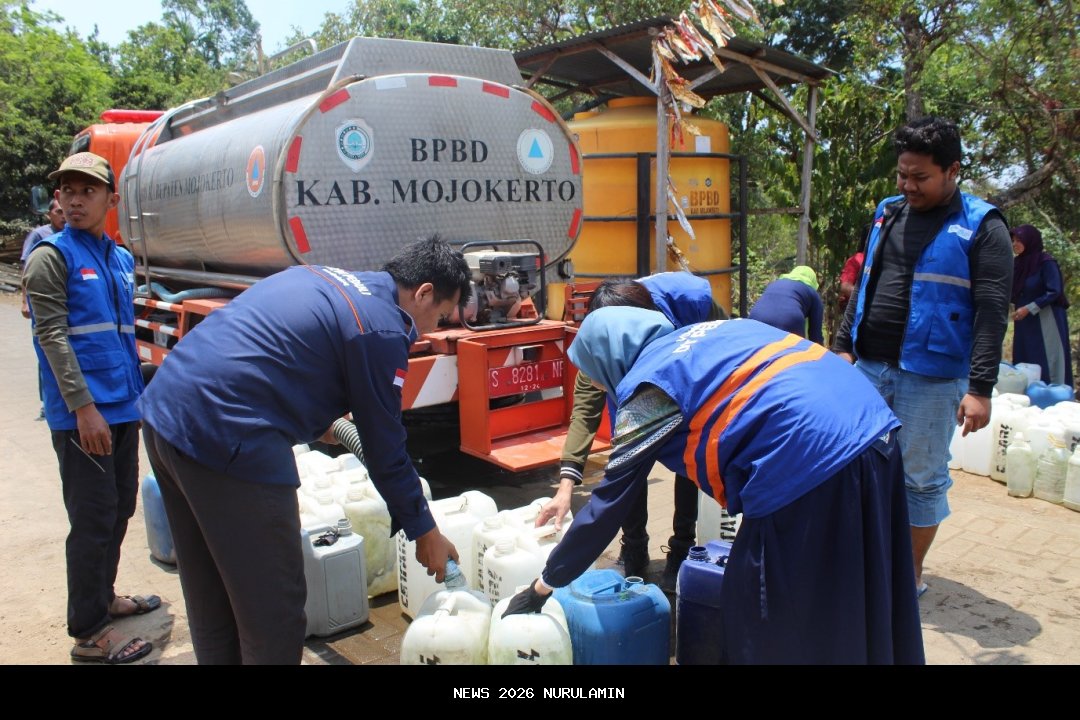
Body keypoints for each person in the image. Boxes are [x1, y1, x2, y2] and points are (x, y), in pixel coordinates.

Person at [503, 308, 924, 664]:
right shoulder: (703, 336)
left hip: (809, 462)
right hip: (874, 432)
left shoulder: (649, 389)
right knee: (862, 585)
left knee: (762, 608)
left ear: (609, 357)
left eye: (593, 374)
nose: (596, 385)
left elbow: (606, 508)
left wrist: (543, 585)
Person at [139, 236, 470, 664]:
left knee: (213, 595)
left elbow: (283, 356)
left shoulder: (325, 276)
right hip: (229, 439)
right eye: (439, 317)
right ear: (423, 291)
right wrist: (425, 533)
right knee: (273, 613)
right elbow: (386, 450)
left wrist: (319, 421)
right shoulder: (383, 326)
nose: (430, 331)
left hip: (166, 415)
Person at [833, 116, 1012, 598]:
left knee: (920, 478)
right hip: (869, 367)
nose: (907, 185)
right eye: (902, 175)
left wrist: (979, 389)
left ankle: (905, 577)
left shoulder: (982, 225)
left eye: (920, 177)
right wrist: (843, 346)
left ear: (952, 170)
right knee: (856, 465)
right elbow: (865, 284)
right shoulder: (887, 212)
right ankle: (865, 560)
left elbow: (993, 312)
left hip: (931, 378)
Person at [23, 152, 157, 665]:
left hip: (121, 407)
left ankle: (105, 598)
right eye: (67, 192)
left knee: (121, 507)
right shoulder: (50, 256)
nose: (74, 200)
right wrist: (83, 409)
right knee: (93, 518)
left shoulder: (119, 259)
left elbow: (124, 338)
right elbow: (51, 336)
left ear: (111, 200)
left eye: (87, 191)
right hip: (84, 415)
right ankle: (89, 632)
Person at [538, 272, 727, 592]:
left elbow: (719, 353)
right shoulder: (602, 339)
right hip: (640, 373)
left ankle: (682, 548)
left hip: (690, 369)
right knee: (629, 451)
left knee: (689, 451)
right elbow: (585, 410)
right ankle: (634, 547)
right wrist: (565, 487)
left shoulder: (690, 304)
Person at [1010, 224, 1072, 386]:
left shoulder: (1045, 262)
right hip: (1024, 319)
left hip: (1046, 317)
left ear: (1030, 241)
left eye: (1019, 240)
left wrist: (1029, 308)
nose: (1015, 244)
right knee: (1025, 358)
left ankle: (1054, 395)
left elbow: (1054, 291)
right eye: (1013, 240)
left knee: (1047, 359)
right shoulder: (1018, 264)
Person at [748, 265, 825, 344]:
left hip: (755, 317)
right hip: (789, 321)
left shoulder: (775, 283)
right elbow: (815, 335)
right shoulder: (813, 294)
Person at [20, 198, 65, 320]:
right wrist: (25, 301)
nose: (63, 216)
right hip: (43, 294)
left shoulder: (73, 235)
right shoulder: (39, 235)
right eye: (59, 212)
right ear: (49, 214)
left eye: (65, 211)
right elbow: (26, 266)